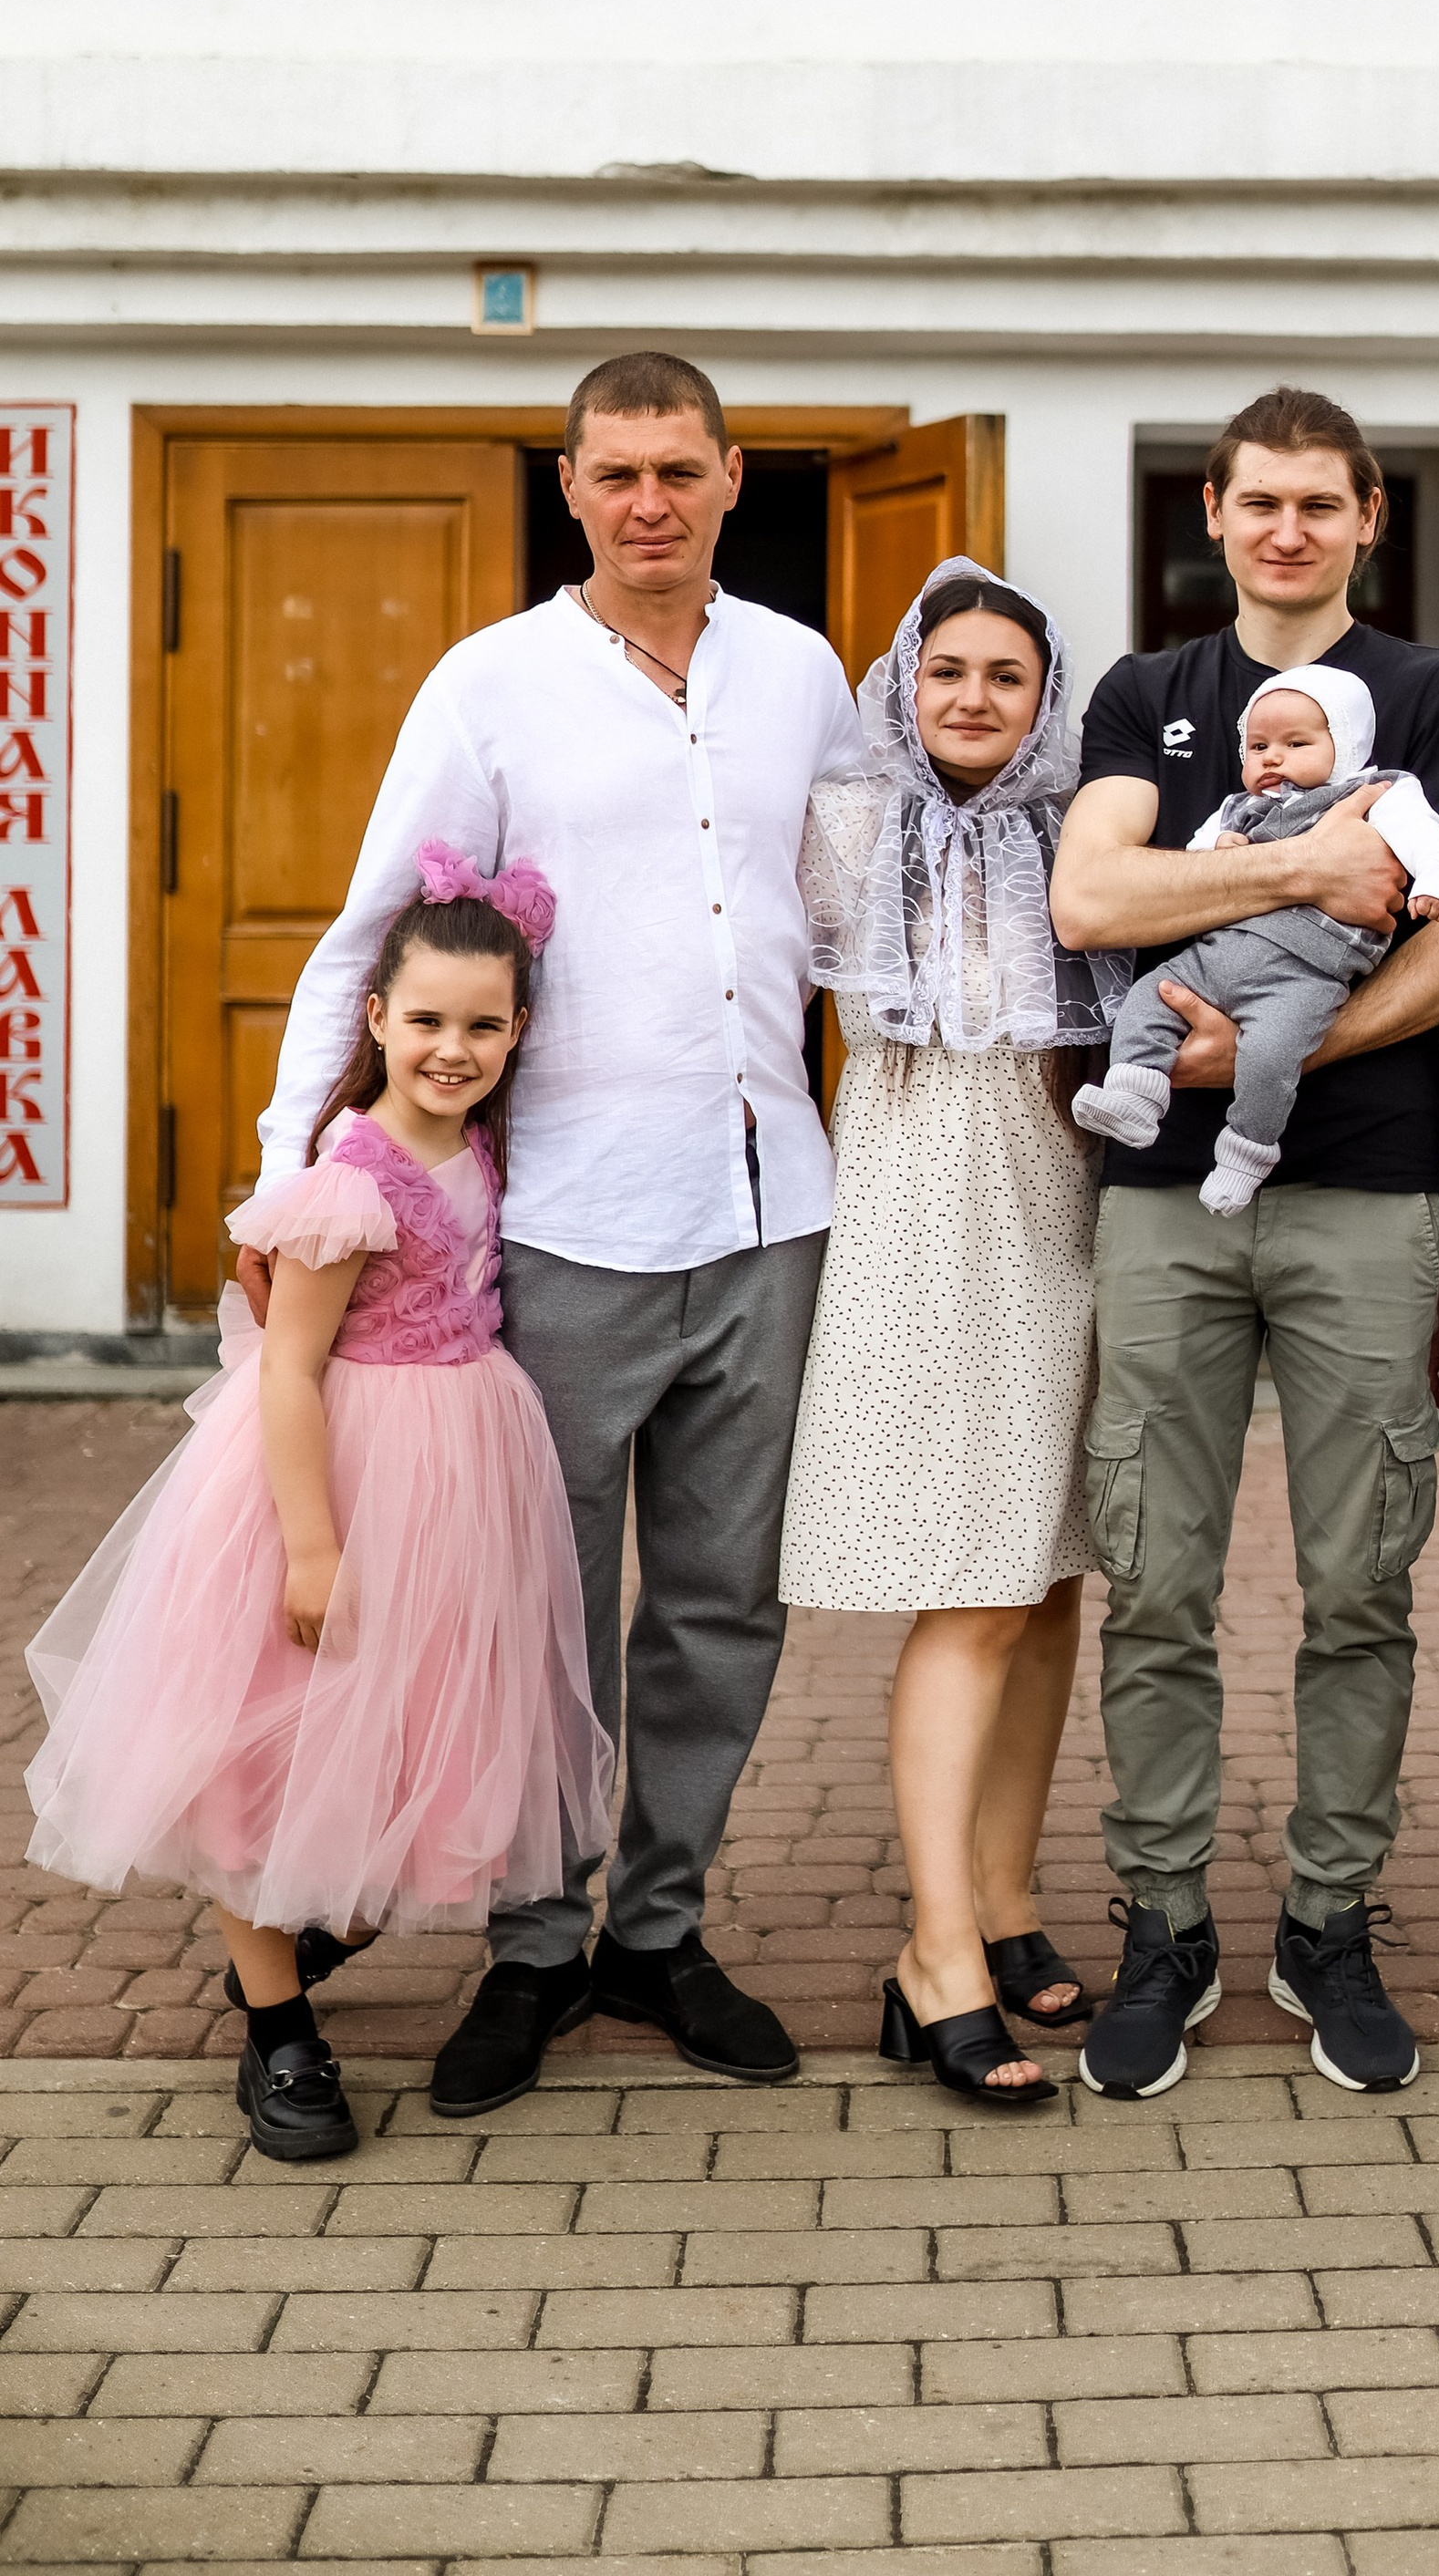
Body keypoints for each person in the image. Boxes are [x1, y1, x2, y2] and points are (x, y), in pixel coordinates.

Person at [250, 353, 865, 2116]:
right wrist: (297, 1169)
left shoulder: (803, 672)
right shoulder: (492, 683)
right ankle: (533, 1948)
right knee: (544, 1605)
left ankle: (659, 1937)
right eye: (616, 473)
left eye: (680, 467)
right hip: (573, 1227)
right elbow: (372, 935)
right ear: (573, 486)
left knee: (720, 1606)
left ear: (734, 476)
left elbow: (862, 908)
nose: (649, 500)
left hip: (772, 1207)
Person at [1050, 384, 1439, 2099]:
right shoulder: (1148, 697)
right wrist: (1305, 874)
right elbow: (1092, 904)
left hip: (1368, 1195)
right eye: (1261, 503)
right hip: (1165, 1206)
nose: (1290, 530)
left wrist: (1272, 1045)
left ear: (1369, 517)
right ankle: (1162, 1922)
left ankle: (1331, 1919)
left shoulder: (1434, 694)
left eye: (1323, 503)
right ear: (1218, 512)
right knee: (1156, 1577)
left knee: (1358, 1583)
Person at [26, 864, 610, 2163]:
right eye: (426, 1022)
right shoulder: (348, 1177)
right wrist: (311, 1541)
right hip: (335, 1471)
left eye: (483, 1026)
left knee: (405, 1730)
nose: (452, 1050)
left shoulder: (480, 1146)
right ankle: (280, 2036)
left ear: (518, 1035)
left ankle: (306, 1934)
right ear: (378, 1021)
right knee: (270, 1750)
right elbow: (288, 1367)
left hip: (462, 1471)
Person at [782, 562, 1126, 2110]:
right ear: (905, 685)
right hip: (925, 1183)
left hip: (1060, 1184)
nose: (977, 697)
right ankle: (932, 1955)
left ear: (1046, 698)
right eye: (951, 671)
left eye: (1009, 674)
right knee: (968, 1579)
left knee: (1047, 1579)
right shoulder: (849, 822)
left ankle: (999, 1899)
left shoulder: (1082, 827)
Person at [1074, 663, 1439, 1214]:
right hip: (1215, 957)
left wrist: (1437, 883)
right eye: (1257, 746)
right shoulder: (1237, 809)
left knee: (1270, 1057)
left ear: (1346, 745)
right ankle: (1135, 1094)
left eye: (1295, 743)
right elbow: (1190, 867)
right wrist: (1224, 859)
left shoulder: (1378, 793)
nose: (1271, 758)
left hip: (1306, 971)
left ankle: (1246, 1154)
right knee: (1146, 999)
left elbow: (1428, 841)